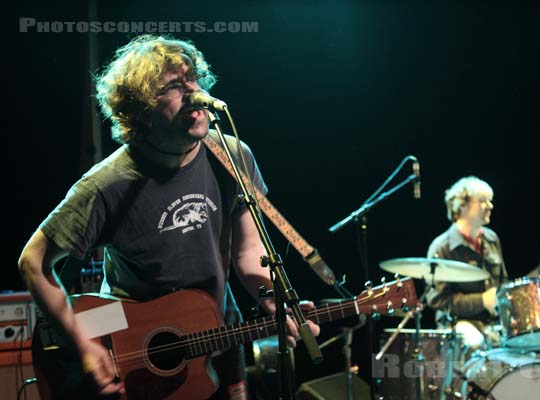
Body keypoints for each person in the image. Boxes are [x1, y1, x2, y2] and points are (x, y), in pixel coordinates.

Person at [18, 35, 319, 400]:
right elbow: (33, 262)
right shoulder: (107, 184)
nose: (193, 93)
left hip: (216, 332)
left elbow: (248, 252)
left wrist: (271, 298)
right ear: (140, 109)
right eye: (175, 86)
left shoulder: (231, 155)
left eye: (193, 79)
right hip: (126, 335)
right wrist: (84, 345)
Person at [425, 176, 508, 348]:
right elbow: (438, 300)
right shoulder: (442, 247)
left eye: (489, 201)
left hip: (493, 323)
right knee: (474, 343)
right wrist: (482, 301)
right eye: (483, 201)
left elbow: (503, 283)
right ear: (461, 205)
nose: (490, 206)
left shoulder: (491, 239)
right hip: (458, 324)